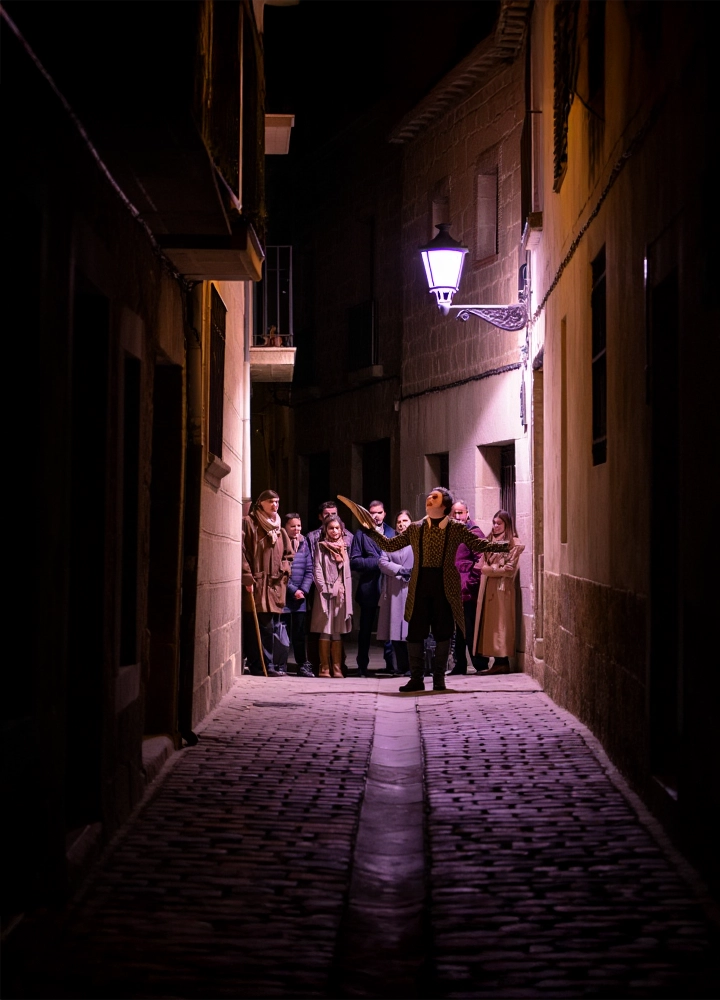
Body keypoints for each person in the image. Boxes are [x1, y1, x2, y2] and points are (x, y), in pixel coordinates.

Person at [348, 488, 508, 693]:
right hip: (420, 584)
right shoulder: (416, 528)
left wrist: (507, 546)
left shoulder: (455, 528)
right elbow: (390, 543)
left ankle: (439, 679)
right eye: (429, 498)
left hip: (444, 585)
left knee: (443, 632)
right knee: (415, 632)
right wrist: (371, 531)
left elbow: (479, 544)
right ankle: (417, 678)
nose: (429, 501)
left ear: (445, 506)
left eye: (435, 498)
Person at [242, 490, 293, 677]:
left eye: (277, 502)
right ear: (261, 503)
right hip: (258, 584)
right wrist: (247, 576)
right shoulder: (250, 523)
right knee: (260, 626)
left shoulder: (279, 528)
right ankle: (261, 665)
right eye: (271, 501)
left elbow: (288, 554)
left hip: (275, 585)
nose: (275, 505)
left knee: (272, 626)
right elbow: (242, 551)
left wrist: (285, 571)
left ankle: (269, 663)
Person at [473, 510, 525, 675]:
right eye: (494, 522)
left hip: (502, 589)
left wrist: (489, 569)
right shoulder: (489, 541)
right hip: (488, 587)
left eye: (499, 523)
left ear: (507, 524)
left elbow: (509, 569)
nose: (495, 526)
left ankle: (502, 661)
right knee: (489, 626)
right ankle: (496, 661)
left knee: (500, 625)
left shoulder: (513, 543)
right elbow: (480, 563)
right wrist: (487, 568)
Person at [305, 502, 354, 670]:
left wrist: (342, 564)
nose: (334, 531)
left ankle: (337, 666)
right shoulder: (320, 546)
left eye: (337, 528)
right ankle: (324, 666)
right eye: (331, 528)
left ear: (342, 530)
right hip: (324, 593)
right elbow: (316, 568)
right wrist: (324, 589)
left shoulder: (345, 547)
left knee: (337, 629)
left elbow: (347, 571)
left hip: (340, 593)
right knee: (325, 627)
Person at [349, 500, 396, 677]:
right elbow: (354, 560)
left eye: (379, 512)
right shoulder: (361, 534)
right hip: (369, 588)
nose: (375, 516)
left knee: (389, 628)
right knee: (366, 629)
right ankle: (362, 666)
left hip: (389, 586)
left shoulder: (393, 533)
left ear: (384, 514)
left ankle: (391, 664)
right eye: (372, 513)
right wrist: (378, 562)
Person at [449, 500, 489, 676]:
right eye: (454, 513)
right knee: (459, 628)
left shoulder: (474, 533)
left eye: (460, 513)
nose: (457, 516)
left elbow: (481, 560)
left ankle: (480, 664)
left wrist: (470, 582)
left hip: (468, 591)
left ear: (467, 514)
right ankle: (459, 664)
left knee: (471, 628)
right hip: (455, 590)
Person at [376, 510, 413, 677]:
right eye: (399, 521)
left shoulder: (418, 542)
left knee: (411, 631)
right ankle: (401, 666)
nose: (402, 524)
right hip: (395, 591)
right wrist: (399, 570)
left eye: (405, 521)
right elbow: (382, 562)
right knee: (396, 630)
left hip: (412, 589)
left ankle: (414, 666)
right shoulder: (390, 542)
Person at [281, 512, 315, 678]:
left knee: (300, 633)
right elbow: (279, 571)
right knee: (282, 632)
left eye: (298, 526)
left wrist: (303, 590)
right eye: (292, 526)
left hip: (300, 597)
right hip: (284, 596)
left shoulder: (304, 543)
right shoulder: (280, 542)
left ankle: (302, 664)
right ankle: (280, 663)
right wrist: (293, 590)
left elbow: (310, 570)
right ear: (286, 527)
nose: (296, 529)